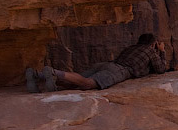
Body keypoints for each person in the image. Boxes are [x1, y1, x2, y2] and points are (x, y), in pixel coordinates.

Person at [26, 33, 168, 92]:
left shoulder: (132, 47)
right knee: (88, 84)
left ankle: (38, 77)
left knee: (75, 82)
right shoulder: (149, 51)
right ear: (153, 44)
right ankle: (53, 72)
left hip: (105, 65)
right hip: (119, 70)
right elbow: (160, 68)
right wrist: (161, 51)